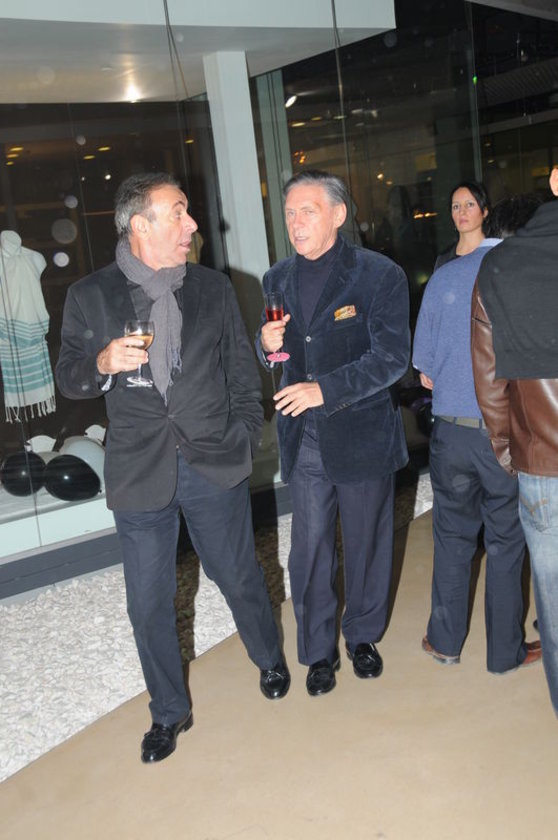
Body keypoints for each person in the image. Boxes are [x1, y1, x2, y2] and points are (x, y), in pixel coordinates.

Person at [56, 172, 290, 763]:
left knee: (237, 575)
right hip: (140, 469)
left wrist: (242, 435)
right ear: (140, 224)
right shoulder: (90, 294)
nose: (192, 224)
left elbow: (241, 373)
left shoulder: (214, 287)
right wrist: (102, 361)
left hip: (213, 460)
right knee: (148, 602)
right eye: (178, 212)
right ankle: (168, 711)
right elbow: (70, 378)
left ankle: (269, 657)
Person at [256, 169, 410, 696]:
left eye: (308, 211)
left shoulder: (379, 274)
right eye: (290, 213)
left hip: (362, 431)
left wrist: (323, 389)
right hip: (304, 436)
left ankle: (362, 636)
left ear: (338, 214)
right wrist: (266, 345)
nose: (296, 222)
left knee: (366, 543)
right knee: (310, 548)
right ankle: (317, 652)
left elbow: (391, 358)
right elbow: (281, 354)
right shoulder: (276, 278)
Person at [412, 200, 542, 674]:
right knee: (506, 541)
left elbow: (424, 372)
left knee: (452, 537)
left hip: (451, 435)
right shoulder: (524, 279)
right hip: (503, 435)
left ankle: (445, 642)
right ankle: (504, 653)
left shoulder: (445, 277)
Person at [471, 168, 558, 715]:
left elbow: (489, 381)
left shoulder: (500, 264)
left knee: (555, 607)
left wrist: (510, 452)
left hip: (542, 467)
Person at [434, 180, 491, 270]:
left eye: (469, 204)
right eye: (456, 206)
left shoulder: (495, 252)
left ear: (484, 211)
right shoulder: (444, 260)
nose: (462, 212)